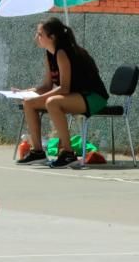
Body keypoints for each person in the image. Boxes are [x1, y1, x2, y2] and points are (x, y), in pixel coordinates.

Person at [15, 17, 108, 168]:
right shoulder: (49, 54)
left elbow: (64, 88)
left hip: (93, 97)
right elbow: (47, 86)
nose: (36, 38)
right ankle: (38, 152)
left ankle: (68, 154)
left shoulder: (62, 53)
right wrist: (25, 92)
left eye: (40, 34)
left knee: (52, 102)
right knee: (28, 103)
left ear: (52, 37)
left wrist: (41, 98)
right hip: (75, 96)